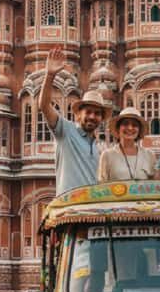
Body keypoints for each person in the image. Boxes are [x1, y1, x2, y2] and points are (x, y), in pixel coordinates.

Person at [39, 46, 112, 194]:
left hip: (91, 206)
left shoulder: (99, 148)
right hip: (69, 205)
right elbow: (44, 106)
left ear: (101, 119)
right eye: (88, 112)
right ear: (78, 114)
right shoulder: (66, 131)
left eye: (97, 113)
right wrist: (50, 75)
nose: (92, 116)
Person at [98, 106, 155, 181]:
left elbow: (154, 183)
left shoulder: (149, 155)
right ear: (118, 128)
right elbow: (102, 184)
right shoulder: (107, 155)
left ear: (139, 130)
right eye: (125, 124)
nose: (130, 128)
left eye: (134, 125)